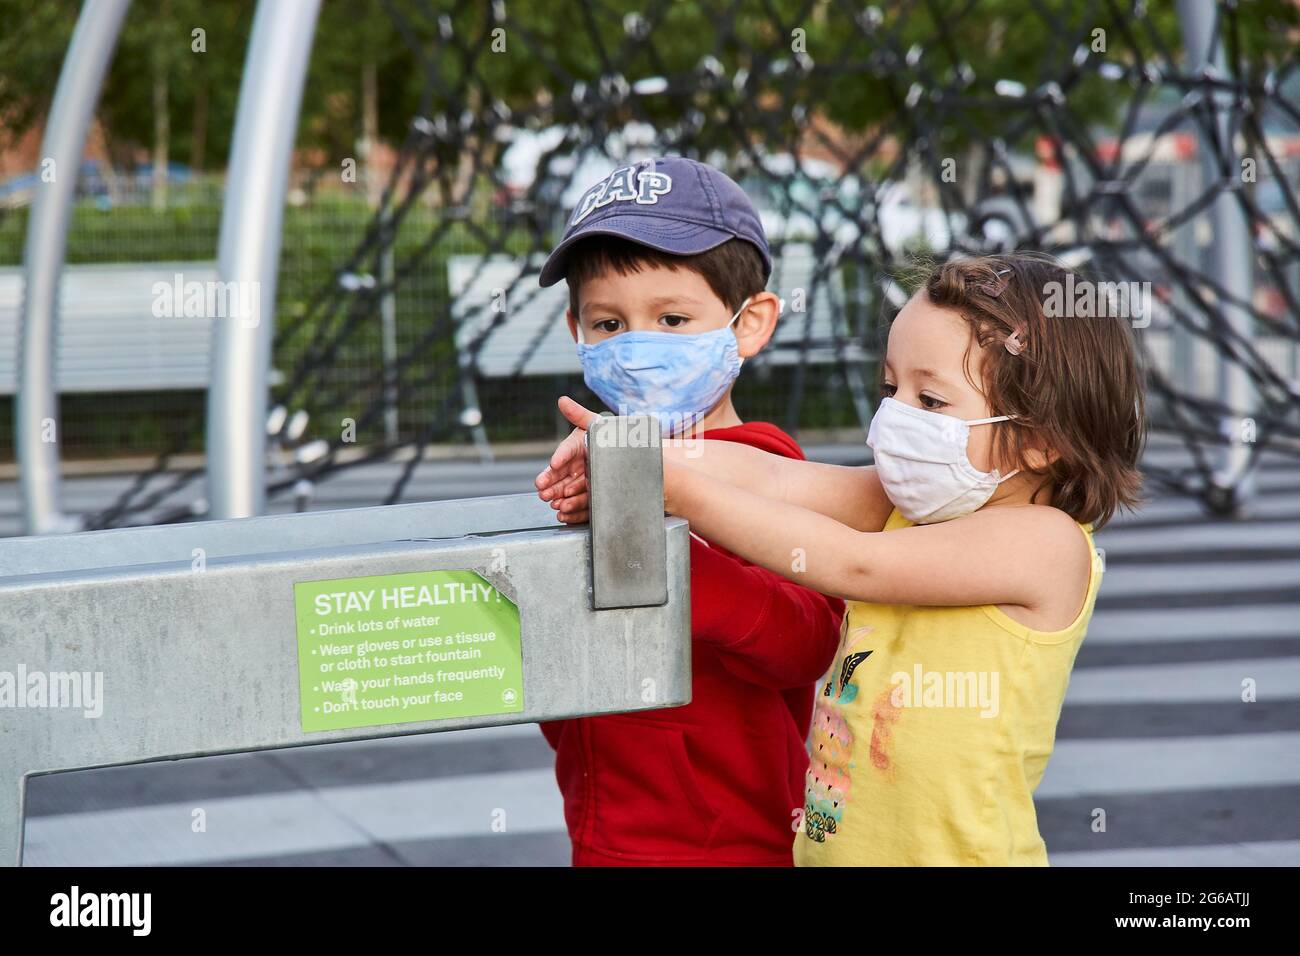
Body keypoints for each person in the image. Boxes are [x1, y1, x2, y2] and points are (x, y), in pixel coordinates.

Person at [539, 252, 1146, 865]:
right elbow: (775, 478)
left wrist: (673, 490)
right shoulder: (906, 505)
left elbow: (853, 562)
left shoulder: (1045, 543)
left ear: (1041, 440)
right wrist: (632, 453)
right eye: (890, 388)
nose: (895, 415)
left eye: (930, 400)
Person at [532, 156, 844, 866]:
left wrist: (671, 569)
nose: (637, 345)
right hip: (604, 834)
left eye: (672, 318)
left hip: (738, 844)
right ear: (576, 329)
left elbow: (808, 642)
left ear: (749, 323)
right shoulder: (591, 467)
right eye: (608, 323)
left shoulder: (771, 473)